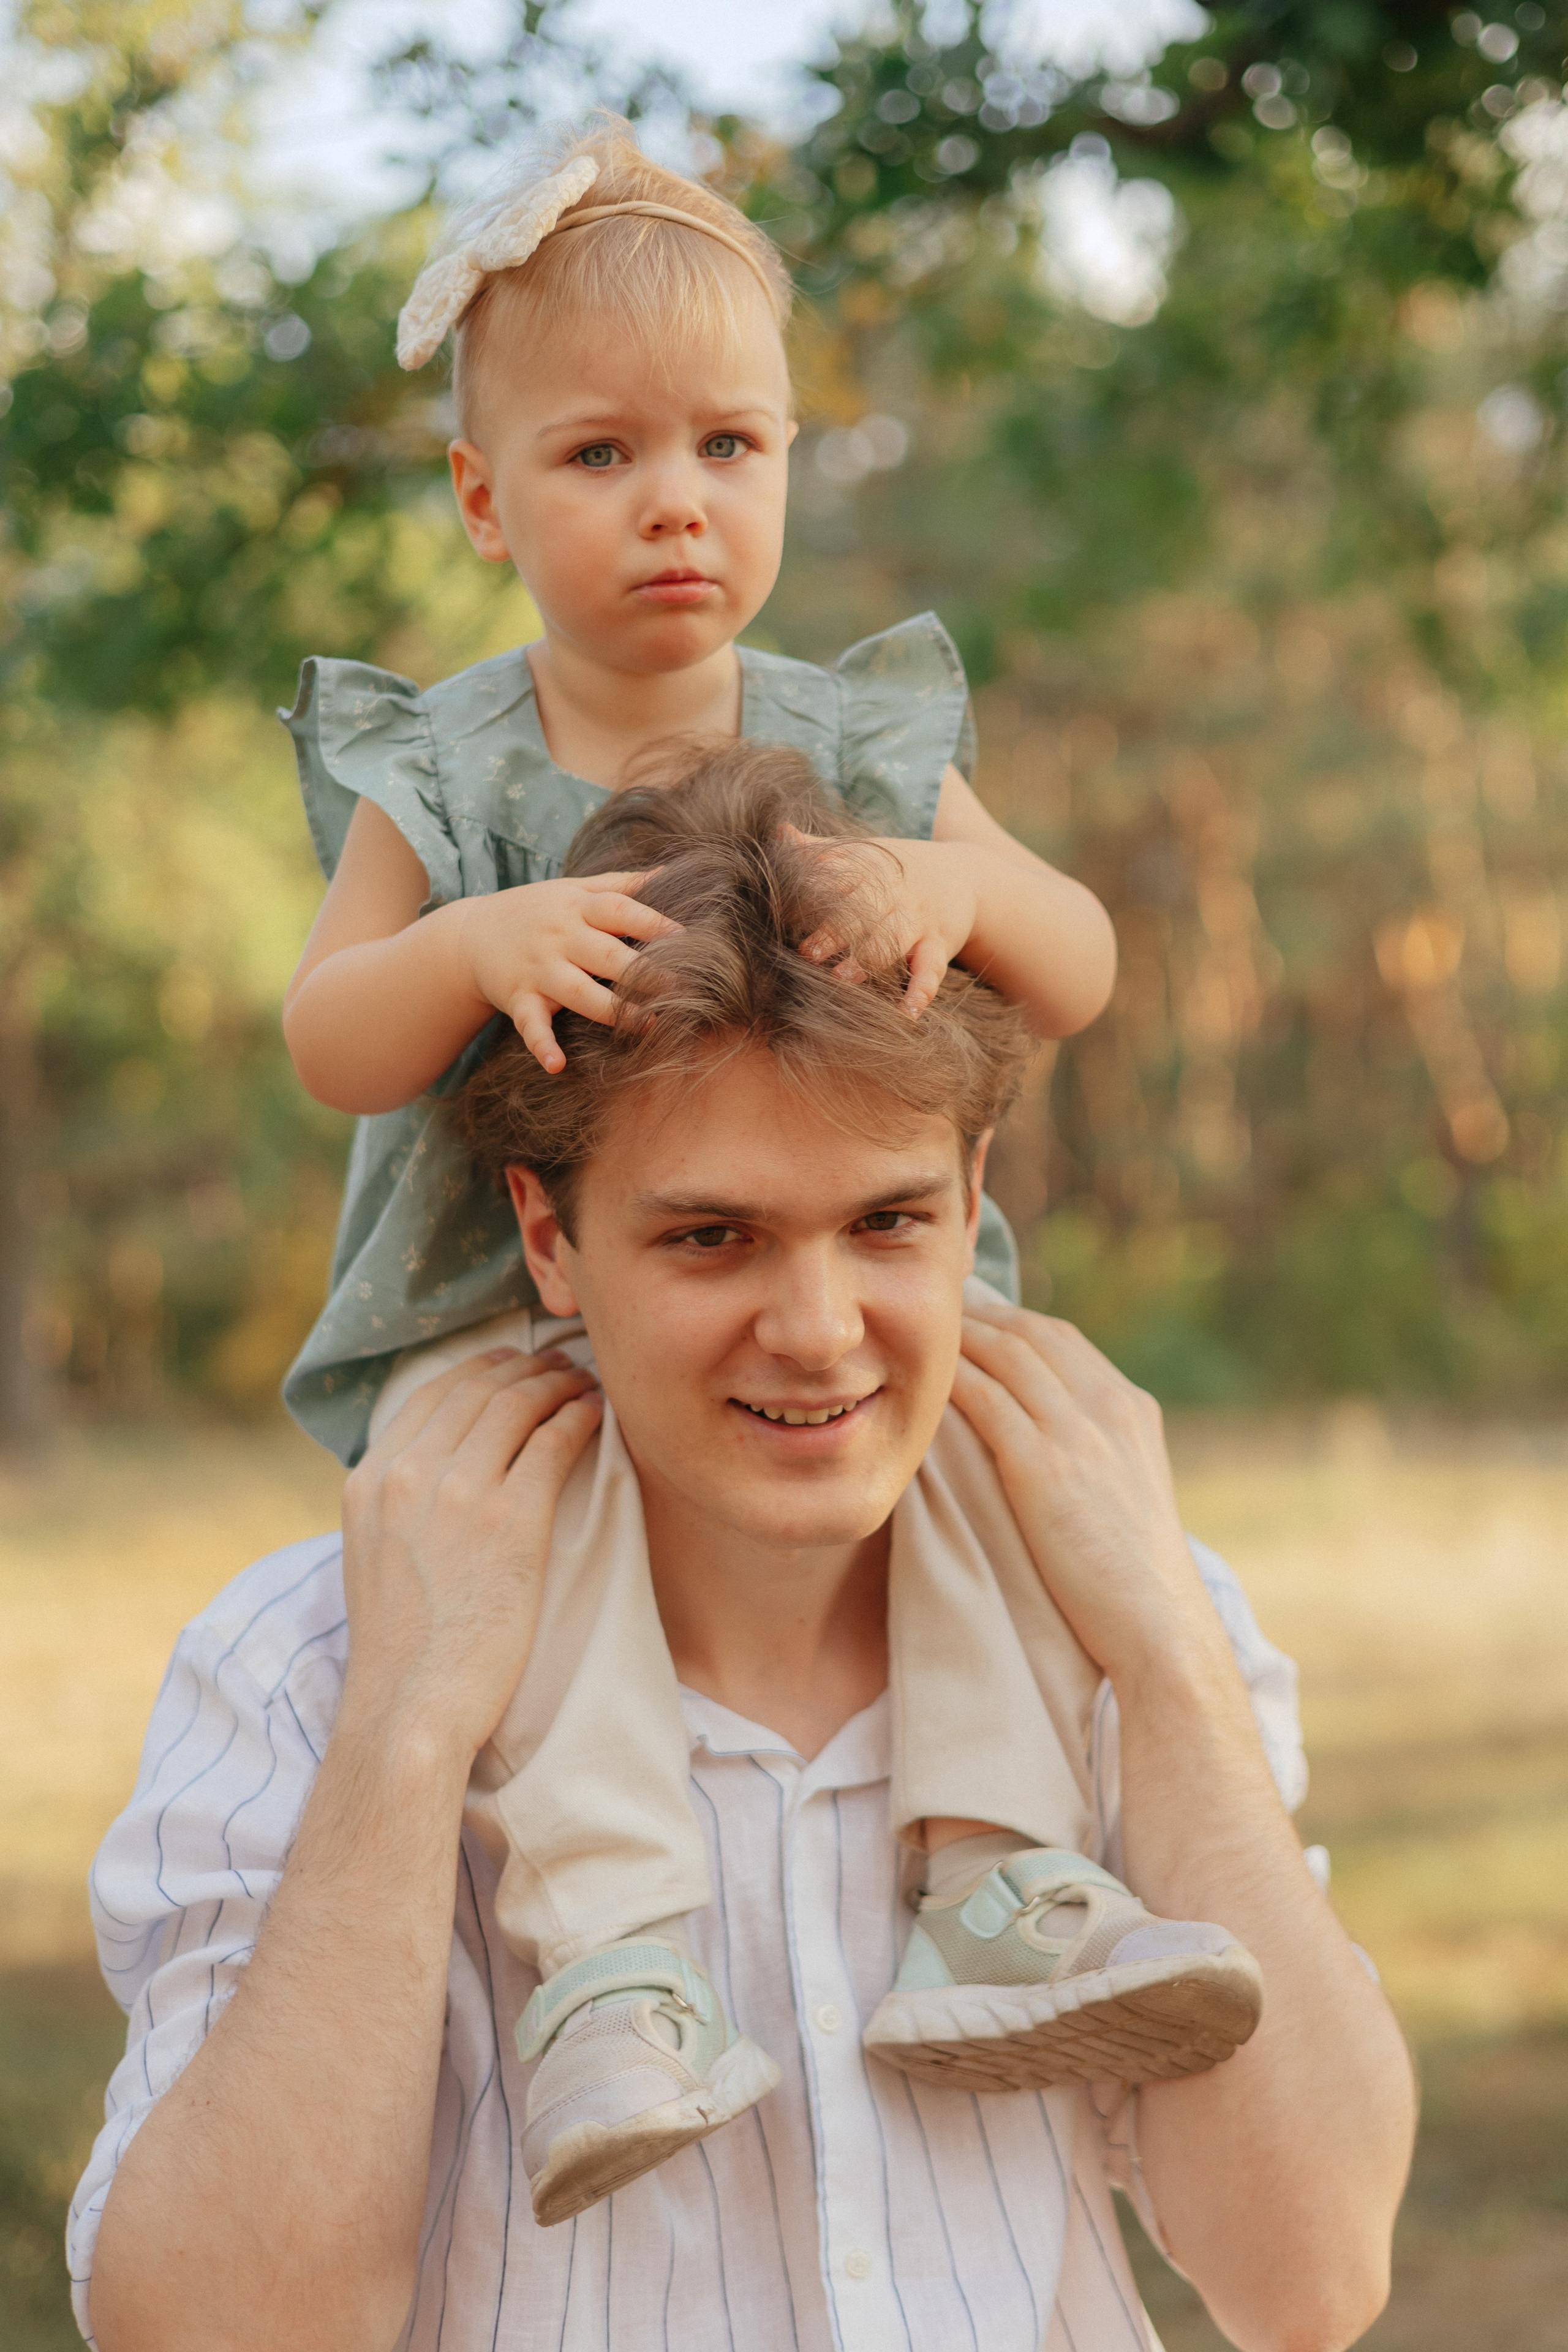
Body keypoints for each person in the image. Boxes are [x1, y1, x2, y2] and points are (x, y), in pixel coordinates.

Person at [74, 753, 1414, 2352]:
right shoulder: (311, 1664)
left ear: (974, 1192)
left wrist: (1170, 1657)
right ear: (551, 1237)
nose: (819, 1331)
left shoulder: (1108, 1619)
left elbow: (1311, 2281)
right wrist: (411, 1727)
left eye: (889, 1225)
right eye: (713, 1237)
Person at [268, 118, 1259, 2201]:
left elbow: (1071, 962)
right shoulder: (447, 769)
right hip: (510, 1317)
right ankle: (611, 1967)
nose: (677, 508)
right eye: (601, 457)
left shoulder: (864, 743)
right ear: (482, 498)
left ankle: (998, 1877)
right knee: (540, 1588)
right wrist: (466, 940)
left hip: (813, 1307)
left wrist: (933, 882)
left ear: (795, 463)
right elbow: (332, 1039)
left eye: (732, 448)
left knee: (978, 1480)